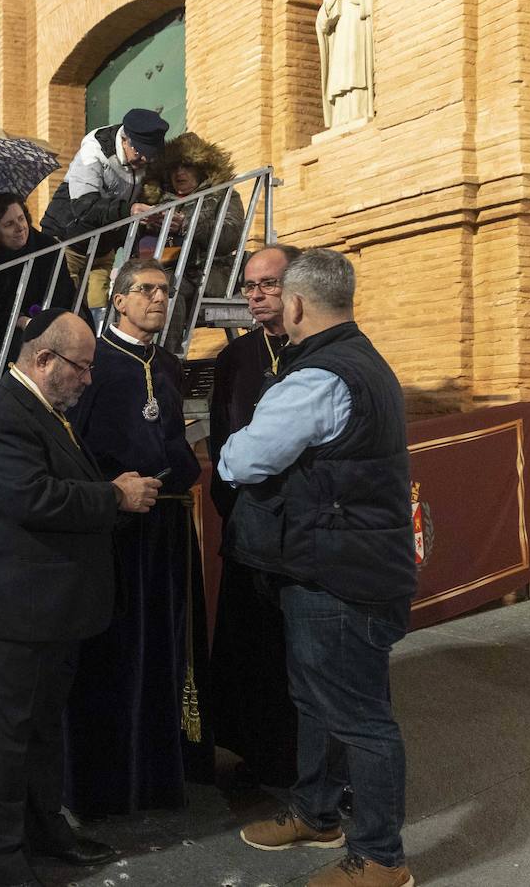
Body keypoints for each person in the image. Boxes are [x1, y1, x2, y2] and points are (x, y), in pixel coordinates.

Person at [220, 249, 416, 887]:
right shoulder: (365, 360)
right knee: (317, 700)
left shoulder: (319, 377)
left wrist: (231, 443)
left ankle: (381, 859)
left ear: (297, 304)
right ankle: (316, 811)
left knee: (360, 718)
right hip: (342, 560)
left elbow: (243, 461)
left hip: (337, 570)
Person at [0, 308, 160, 887]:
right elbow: (34, 499)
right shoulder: (1, 415)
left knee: (44, 735)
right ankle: (8, 862)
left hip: (49, 607)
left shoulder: (44, 409)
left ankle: (48, 835)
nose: (88, 379)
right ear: (43, 360)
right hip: (10, 612)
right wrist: (113, 498)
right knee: (4, 744)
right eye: (80, 367)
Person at [62, 258, 212, 819]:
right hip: (118, 530)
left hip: (168, 528)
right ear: (118, 299)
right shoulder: (93, 363)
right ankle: (111, 779)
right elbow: (75, 446)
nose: (158, 299)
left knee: (168, 649)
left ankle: (163, 770)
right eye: (146, 290)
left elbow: (174, 436)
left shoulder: (169, 364)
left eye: (165, 291)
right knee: (118, 650)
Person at [208, 245, 303, 790]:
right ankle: (261, 755)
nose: (258, 295)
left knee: (298, 656)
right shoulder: (235, 360)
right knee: (254, 654)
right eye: (250, 286)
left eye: (269, 283)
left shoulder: (315, 351)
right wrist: (239, 514)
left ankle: (308, 763)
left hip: (300, 536)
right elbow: (222, 446)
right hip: (249, 530)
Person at [39, 108, 169, 309]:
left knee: (97, 311)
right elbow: (84, 206)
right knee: (65, 307)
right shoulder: (94, 151)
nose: (145, 160)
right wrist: (129, 211)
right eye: (140, 152)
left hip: (102, 248)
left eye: (150, 155)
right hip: (67, 242)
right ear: (125, 139)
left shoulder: (145, 161)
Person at [141, 132, 248, 352]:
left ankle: (165, 357)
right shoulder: (159, 201)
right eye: (174, 168)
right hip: (167, 268)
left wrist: (187, 225)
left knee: (165, 288)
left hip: (209, 273)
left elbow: (229, 237)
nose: (179, 173)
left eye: (187, 166)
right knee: (134, 285)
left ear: (202, 168)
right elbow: (143, 247)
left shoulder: (223, 195)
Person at [0, 192, 78, 362]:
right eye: (9, 224)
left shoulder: (48, 248)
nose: (20, 227)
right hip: (4, 340)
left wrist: (42, 320)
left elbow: (63, 293)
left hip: (52, 327)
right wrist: (18, 320)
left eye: (21, 218)